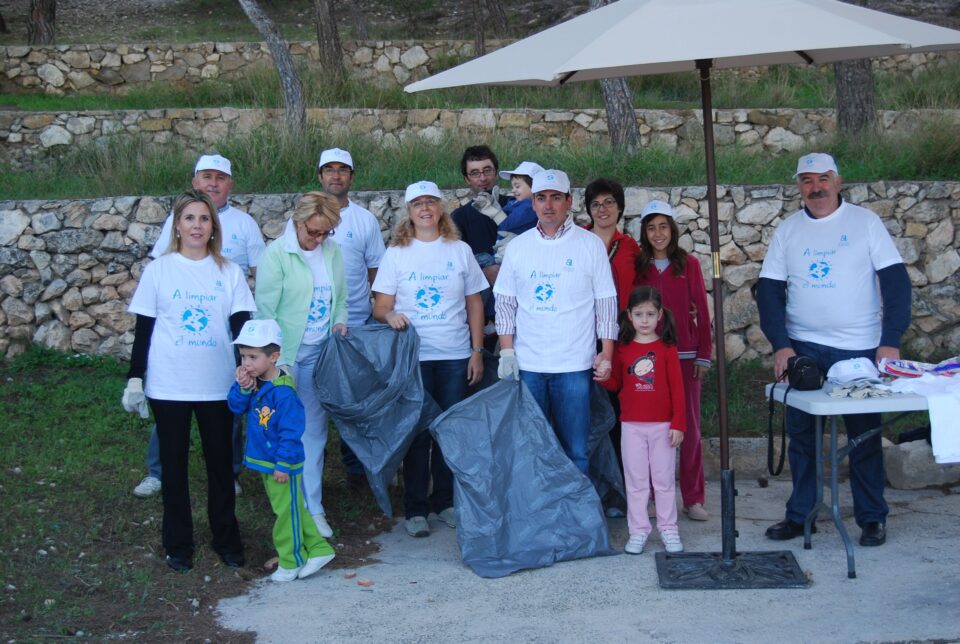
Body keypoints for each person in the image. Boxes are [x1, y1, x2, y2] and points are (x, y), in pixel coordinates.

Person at [757, 152, 911, 547]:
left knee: (864, 437)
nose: (816, 188)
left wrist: (889, 341)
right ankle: (801, 514)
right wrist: (781, 347)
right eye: (807, 180)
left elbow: (896, 283)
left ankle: (872, 517)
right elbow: (770, 293)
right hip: (804, 347)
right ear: (798, 187)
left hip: (859, 348)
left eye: (823, 178)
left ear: (838, 181)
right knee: (802, 437)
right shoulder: (788, 231)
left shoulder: (865, 223)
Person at [122, 189, 254, 572]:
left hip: (217, 386)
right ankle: (178, 544)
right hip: (169, 386)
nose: (197, 225)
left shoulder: (228, 272)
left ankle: (227, 539)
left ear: (214, 226)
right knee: (174, 470)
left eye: (204, 218)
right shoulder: (159, 270)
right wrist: (135, 379)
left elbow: (241, 327)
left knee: (220, 467)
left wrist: (247, 369)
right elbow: (143, 330)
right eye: (189, 218)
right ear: (177, 225)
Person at [134, 153, 266, 500]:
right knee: (169, 418)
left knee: (228, 412)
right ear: (195, 182)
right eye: (206, 176)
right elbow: (161, 279)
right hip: (178, 351)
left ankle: (228, 471)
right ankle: (158, 471)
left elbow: (259, 272)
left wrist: (250, 352)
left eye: (220, 178)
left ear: (230, 185)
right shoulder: (172, 228)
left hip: (220, 335)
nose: (213, 183)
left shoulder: (245, 224)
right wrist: (136, 374)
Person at [372, 180, 487, 538]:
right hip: (414, 359)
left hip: (454, 354)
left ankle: (445, 502)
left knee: (448, 430)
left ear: (441, 209)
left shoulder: (459, 250)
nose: (425, 209)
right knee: (418, 433)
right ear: (408, 212)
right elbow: (380, 306)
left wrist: (477, 350)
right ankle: (416, 508)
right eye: (417, 203)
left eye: (431, 202)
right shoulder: (397, 254)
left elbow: (474, 303)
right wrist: (389, 317)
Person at [494, 169, 618, 475]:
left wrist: (607, 352)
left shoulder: (590, 245)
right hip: (530, 365)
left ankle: (575, 521)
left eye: (555, 197)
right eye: (541, 198)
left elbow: (606, 302)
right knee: (532, 447)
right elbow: (506, 303)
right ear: (532, 204)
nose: (548, 205)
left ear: (569, 202)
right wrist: (508, 352)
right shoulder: (519, 247)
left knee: (576, 449)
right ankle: (538, 519)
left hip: (574, 366)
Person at [255, 192, 348, 540]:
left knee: (315, 431)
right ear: (297, 223)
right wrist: (273, 364)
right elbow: (265, 312)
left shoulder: (332, 252)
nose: (319, 239)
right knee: (284, 431)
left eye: (325, 233)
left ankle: (314, 507)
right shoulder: (276, 255)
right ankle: (286, 504)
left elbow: (340, 299)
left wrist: (339, 321)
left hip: (321, 353)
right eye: (313, 232)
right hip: (287, 355)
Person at [227, 319, 336, 582]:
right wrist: (242, 387)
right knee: (293, 508)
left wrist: (283, 464)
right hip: (266, 460)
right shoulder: (255, 382)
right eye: (243, 356)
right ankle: (320, 549)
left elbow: (291, 433)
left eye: (253, 357)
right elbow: (235, 408)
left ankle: (291, 560)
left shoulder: (284, 394)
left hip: (281, 464)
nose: (246, 363)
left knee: (285, 514)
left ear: (274, 356)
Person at [633, 199, 712, 522]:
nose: (658, 233)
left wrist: (703, 355)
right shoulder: (640, 268)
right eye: (651, 228)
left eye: (663, 226)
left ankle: (693, 498)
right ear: (645, 232)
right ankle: (652, 494)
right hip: (651, 358)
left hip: (685, 356)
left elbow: (702, 313)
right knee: (653, 429)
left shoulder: (688, 264)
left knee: (689, 429)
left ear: (673, 229)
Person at [316, 147, 386, 490]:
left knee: (355, 399)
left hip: (356, 324)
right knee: (314, 400)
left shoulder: (364, 220)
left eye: (342, 169)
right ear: (320, 177)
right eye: (329, 169)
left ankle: (357, 469)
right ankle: (307, 465)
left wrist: (378, 318)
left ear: (352, 177)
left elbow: (377, 271)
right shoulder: (304, 217)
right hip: (313, 326)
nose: (335, 175)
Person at [599, 286, 686, 554]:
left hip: (662, 426)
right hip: (631, 426)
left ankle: (669, 529)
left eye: (650, 314)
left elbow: (678, 389)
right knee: (636, 482)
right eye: (639, 314)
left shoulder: (667, 348)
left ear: (660, 315)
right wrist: (604, 376)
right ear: (629, 316)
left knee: (663, 482)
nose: (645, 320)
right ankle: (638, 531)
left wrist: (679, 424)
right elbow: (616, 384)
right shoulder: (623, 350)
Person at [583, 177, 640, 518]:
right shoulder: (578, 242)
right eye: (595, 204)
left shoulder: (631, 247)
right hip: (583, 337)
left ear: (619, 207)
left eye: (609, 202)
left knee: (619, 414)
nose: (603, 209)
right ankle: (591, 489)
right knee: (587, 412)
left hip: (622, 341)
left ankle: (619, 491)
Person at [450, 145, 510, 292]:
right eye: (475, 173)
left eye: (487, 170)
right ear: (467, 179)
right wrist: (483, 274)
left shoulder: (515, 206)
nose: (483, 178)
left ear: (496, 172)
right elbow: (456, 263)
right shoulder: (459, 216)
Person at [492, 160, 544, 263]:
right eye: (513, 187)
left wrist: (494, 212)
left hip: (516, 254)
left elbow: (507, 224)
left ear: (534, 186)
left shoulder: (529, 207)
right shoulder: (514, 203)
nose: (513, 190)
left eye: (517, 186)